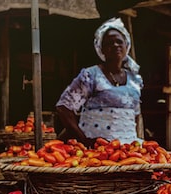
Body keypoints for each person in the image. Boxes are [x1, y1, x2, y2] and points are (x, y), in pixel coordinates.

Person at [56, 17, 144, 148]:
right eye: (109, 43)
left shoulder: (135, 80)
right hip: (97, 151)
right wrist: (84, 141)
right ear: (101, 49)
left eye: (119, 41)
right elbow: (64, 108)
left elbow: (135, 116)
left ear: (127, 45)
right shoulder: (90, 75)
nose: (115, 45)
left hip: (128, 149)